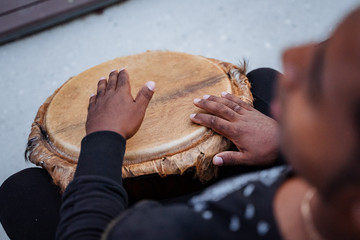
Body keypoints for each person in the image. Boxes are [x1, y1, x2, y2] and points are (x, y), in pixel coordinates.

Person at [1, 7, 360, 240]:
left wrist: (104, 138)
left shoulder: (161, 231)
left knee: (21, 194)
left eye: (318, 81)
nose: (292, 54)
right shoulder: (330, 202)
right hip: (285, 179)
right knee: (265, 82)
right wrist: (284, 143)